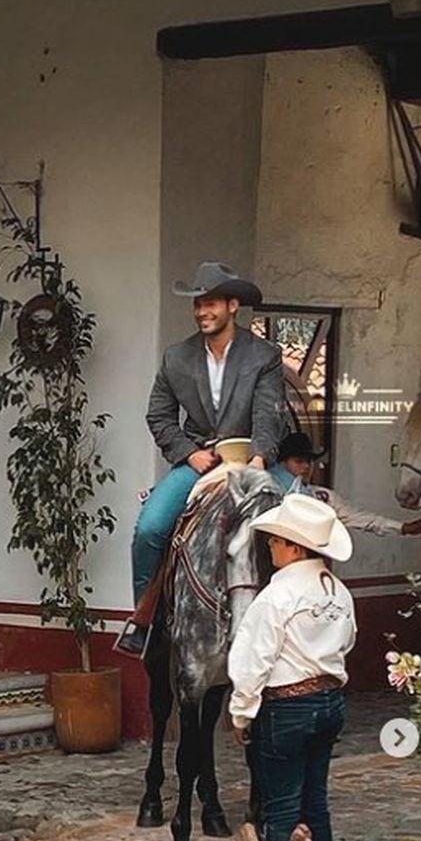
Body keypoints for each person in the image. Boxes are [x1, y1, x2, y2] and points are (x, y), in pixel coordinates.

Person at [117, 261, 286, 656]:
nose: (201, 311)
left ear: (232, 305)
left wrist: (260, 459)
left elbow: (268, 414)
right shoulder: (177, 357)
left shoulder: (264, 355)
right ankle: (147, 620)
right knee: (151, 527)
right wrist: (189, 454)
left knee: (307, 512)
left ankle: (299, 617)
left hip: (251, 460)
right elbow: (158, 415)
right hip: (200, 463)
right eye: (197, 304)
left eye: (210, 303)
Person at [228, 492, 356, 841]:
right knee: (315, 799)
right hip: (330, 702)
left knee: (281, 804)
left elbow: (254, 660)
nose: (270, 546)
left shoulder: (276, 595)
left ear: (294, 548)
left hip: (286, 709)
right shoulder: (339, 591)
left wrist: (241, 713)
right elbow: (348, 641)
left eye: (276, 540)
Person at [272, 432, 421, 538]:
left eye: (309, 461)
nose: (306, 467)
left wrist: (402, 528)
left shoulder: (322, 497)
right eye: (299, 461)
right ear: (283, 464)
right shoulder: (270, 493)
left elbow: (360, 518)